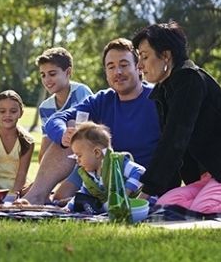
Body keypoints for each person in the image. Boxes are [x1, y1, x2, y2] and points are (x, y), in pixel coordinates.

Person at [132, 21, 221, 221]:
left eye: (144, 57)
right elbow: (173, 153)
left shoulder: (190, 80)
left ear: (165, 55)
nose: (139, 65)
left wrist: (145, 192)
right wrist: (152, 195)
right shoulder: (165, 91)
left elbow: (175, 141)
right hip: (213, 178)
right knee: (164, 205)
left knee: (205, 207)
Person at [21, 38, 191, 205]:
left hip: (145, 184)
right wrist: (63, 134)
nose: (117, 72)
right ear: (106, 73)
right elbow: (56, 119)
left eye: (124, 65)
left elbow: (178, 146)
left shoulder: (160, 98)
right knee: (71, 132)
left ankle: (87, 203)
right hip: (104, 179)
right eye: (111, 67)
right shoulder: (102, 100)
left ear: (138, 67)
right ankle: (35, 196)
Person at [64, 122, 145, 213]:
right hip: (114, 208)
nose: (77, 161)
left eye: (79, 156)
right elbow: (83, 194)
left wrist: (125, 193)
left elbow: (139, 171)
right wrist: (68, 208)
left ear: (97, 153)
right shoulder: (90, 175)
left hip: (139, 204)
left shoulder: (116, 162)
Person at [36, 47, 93, 163]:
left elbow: (86, 132)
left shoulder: (81, 92)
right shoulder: (45, 107)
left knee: (71, 124)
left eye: (52, 74)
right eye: (43, 75)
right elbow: (46, 144)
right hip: (65, 156)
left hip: (89, 151)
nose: (47, 80)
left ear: (68, 72)